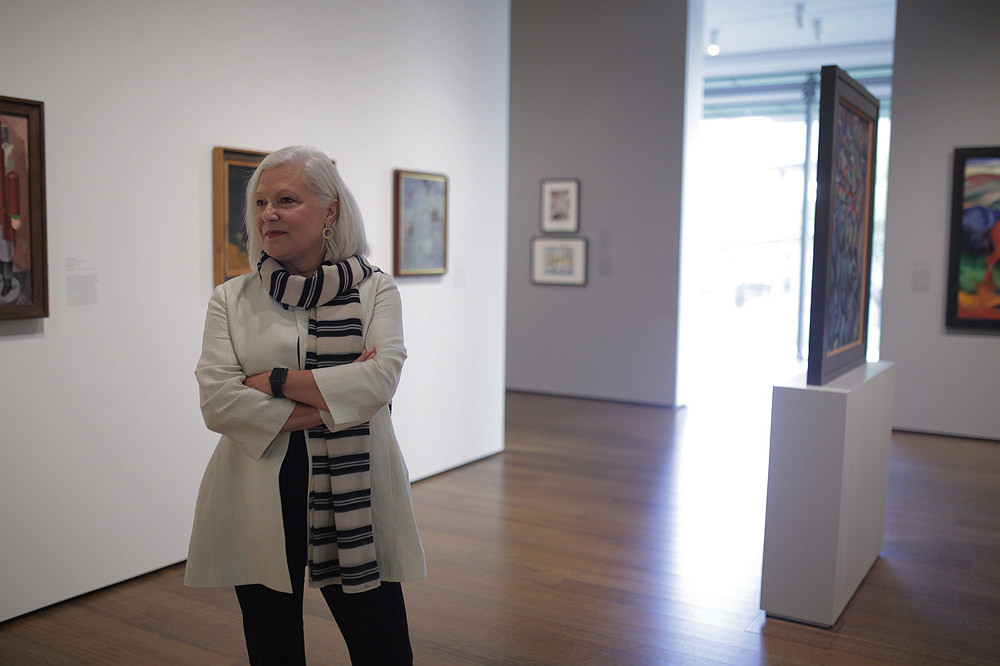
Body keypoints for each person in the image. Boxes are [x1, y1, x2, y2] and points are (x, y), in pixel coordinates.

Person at [185, 145, 426, 665]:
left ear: (330, 210)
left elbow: (380, 380)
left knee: (381, 644)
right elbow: (219, 402)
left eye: (287, 200)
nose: (268, 214)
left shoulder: (374, 291)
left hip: (355, 491)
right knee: (271, 646)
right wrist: (342, 396)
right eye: (261, 202)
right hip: (259, 489)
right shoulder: (231, 299)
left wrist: (271, 381)